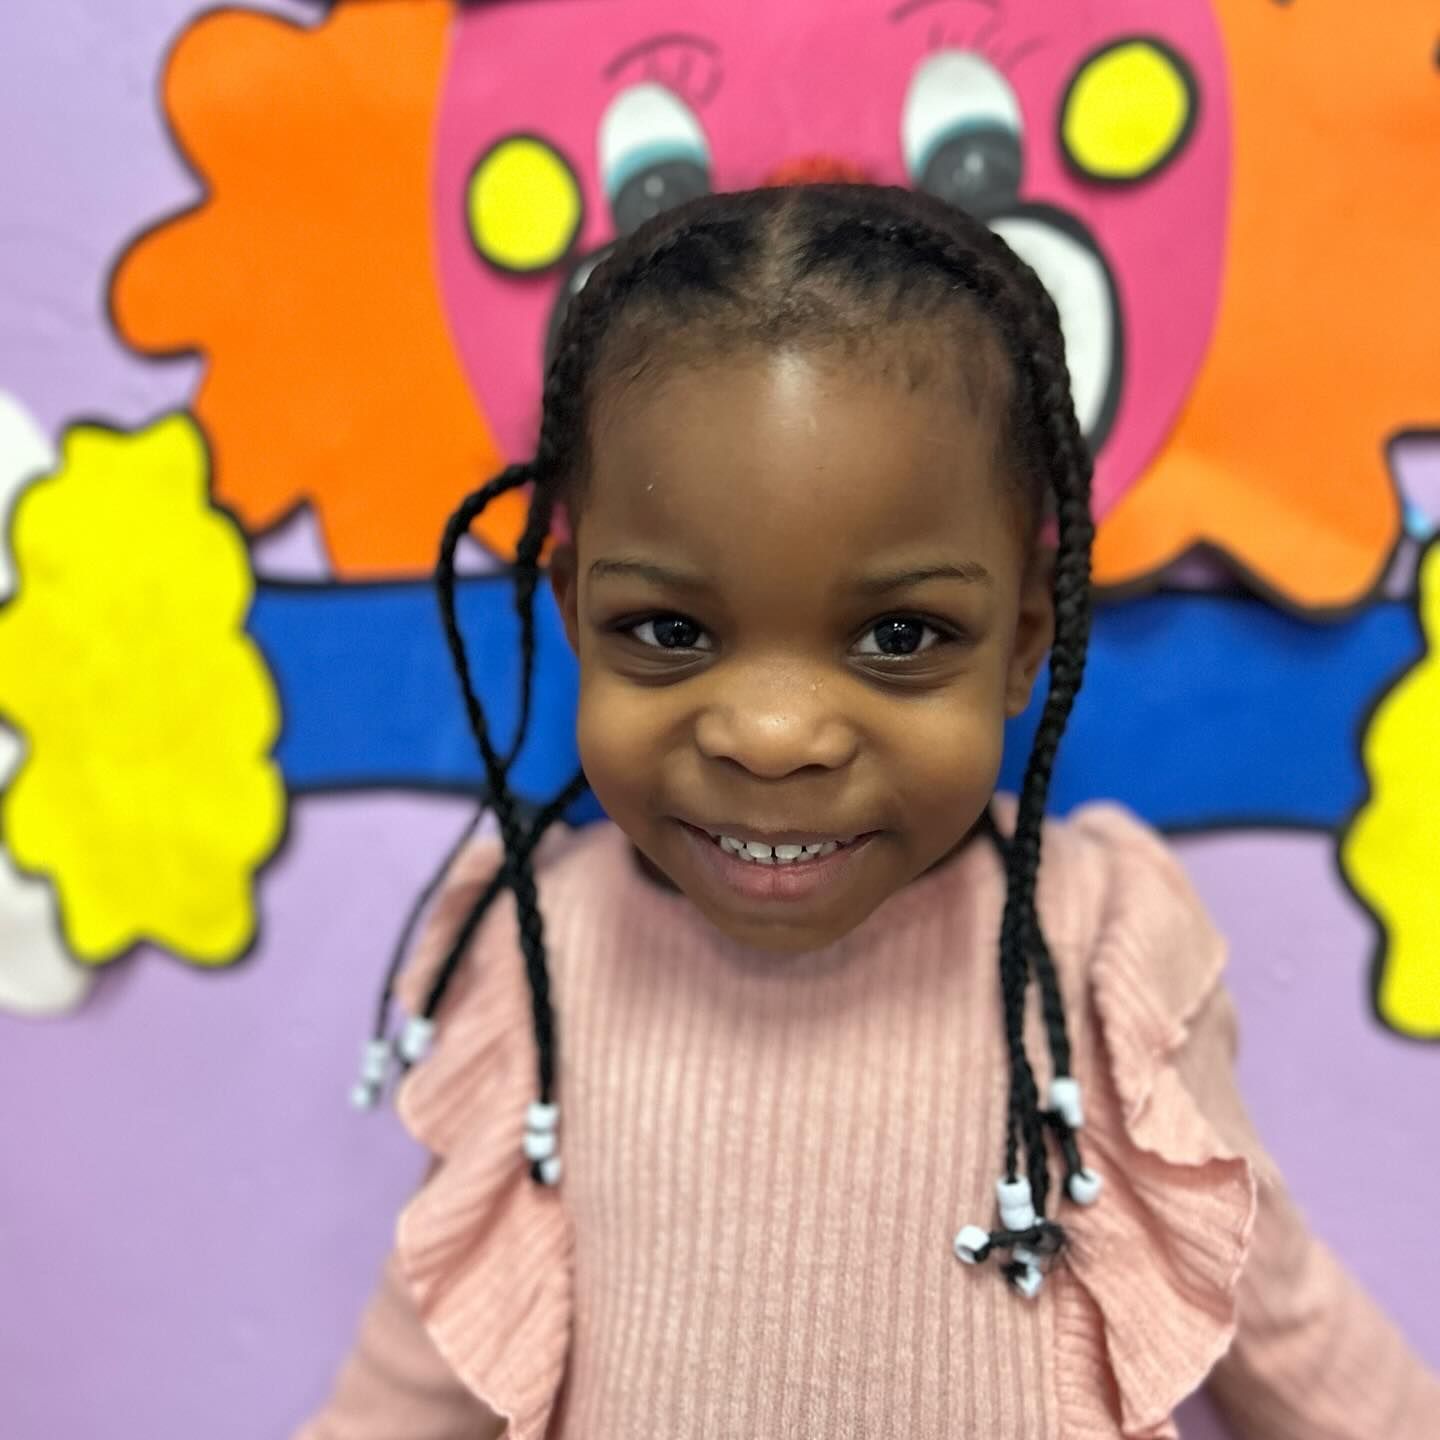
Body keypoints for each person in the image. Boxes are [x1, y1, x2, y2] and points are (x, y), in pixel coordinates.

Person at [299, 185, 1437, 1439]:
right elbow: (426, 1361)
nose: (775, 739)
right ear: (573, 617)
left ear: (1025, 643)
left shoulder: (1093, 945)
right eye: (668, 632)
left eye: (901, 637)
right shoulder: (540, 959)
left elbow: (1279, 1320)